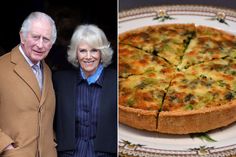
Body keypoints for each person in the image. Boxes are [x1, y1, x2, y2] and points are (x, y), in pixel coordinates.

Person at [53, 24, 117, 157]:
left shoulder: (117, 80)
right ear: (75, 53)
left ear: (101, 52)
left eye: (94, 50)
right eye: (82, 51)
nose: (88, 57)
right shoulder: (60, 81)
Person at [0, 11, 57, 157]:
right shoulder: (2, 67)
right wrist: (5, 145)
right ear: (22, 36)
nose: (40, 45)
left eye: (46, 39)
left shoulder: (47, 71)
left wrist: (52, 142)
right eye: (36, 37)